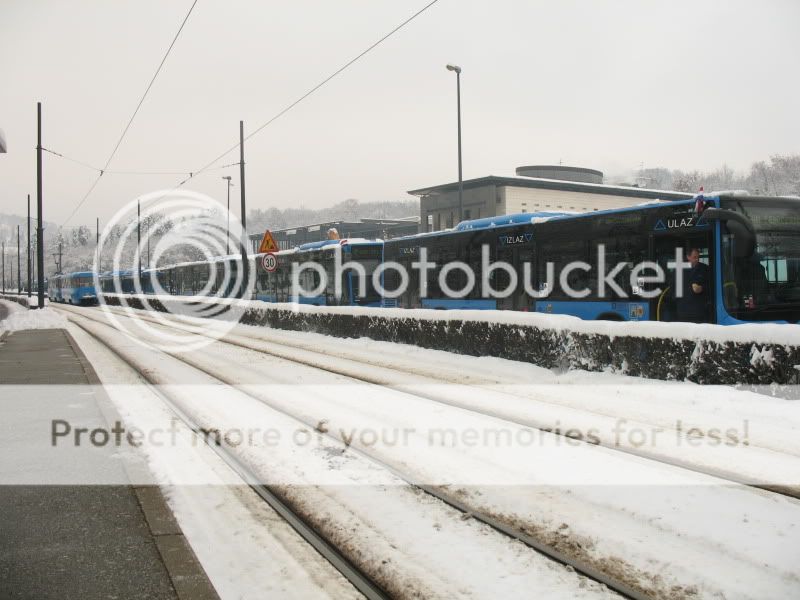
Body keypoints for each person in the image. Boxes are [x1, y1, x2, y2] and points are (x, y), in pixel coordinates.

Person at [675, 247, 710, 323]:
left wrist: (702, 288)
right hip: (683, 311)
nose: (697, 259)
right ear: (688, 257)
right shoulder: (679, 269)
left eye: (698, 257)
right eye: (694, 257)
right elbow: (673, 289)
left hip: (699, 311)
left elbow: (711, 286)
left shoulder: (705, 269)